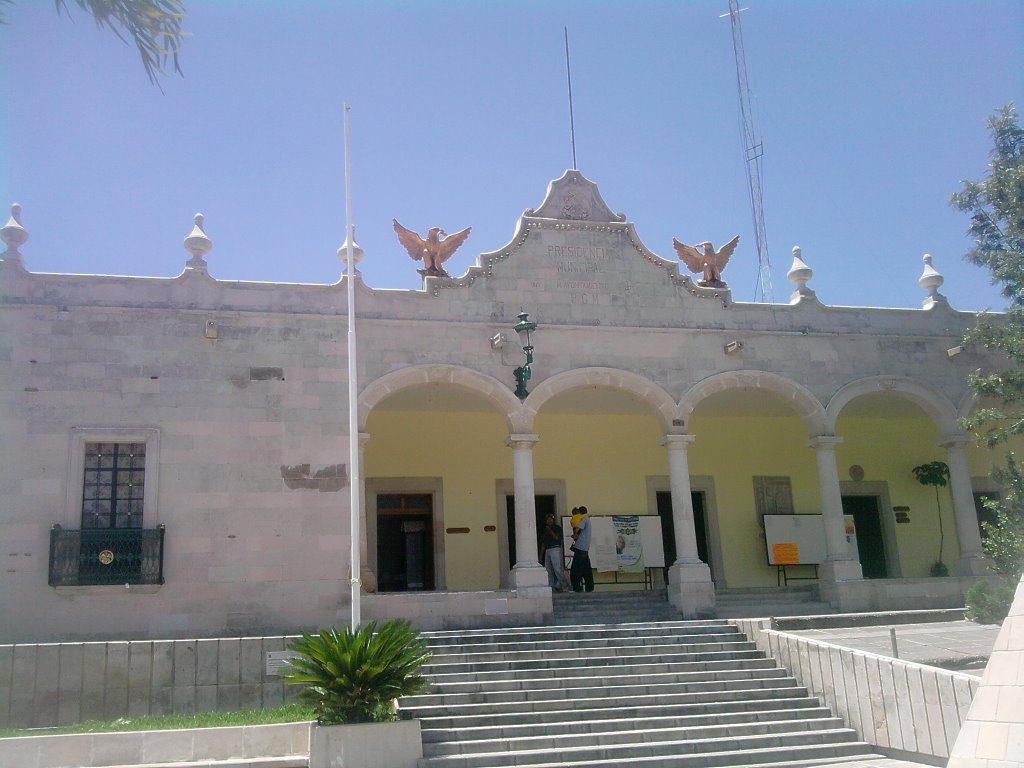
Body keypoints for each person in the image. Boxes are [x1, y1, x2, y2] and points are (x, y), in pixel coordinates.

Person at [539, 511, 571, 592]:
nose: (549, 521)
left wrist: (550, 530)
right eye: (547, 520)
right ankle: (551, 588)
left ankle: (565, 586)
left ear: (553, 520)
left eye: (550, 519)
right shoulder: (545, 530)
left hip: (555, 549)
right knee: (548, 570)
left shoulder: (557, 528)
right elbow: (543, 543)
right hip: (547, 550)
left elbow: (557, 538)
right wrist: (540, 557)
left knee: (557, 569)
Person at [569, 505, 594, 593]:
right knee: (586, 569)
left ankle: (577, 588)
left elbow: (577, 530)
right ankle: (589, 587)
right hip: (585, 549)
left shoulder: (584, 519)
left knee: (576, 569)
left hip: (580, 548)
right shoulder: (588, 520)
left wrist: (574, 531)